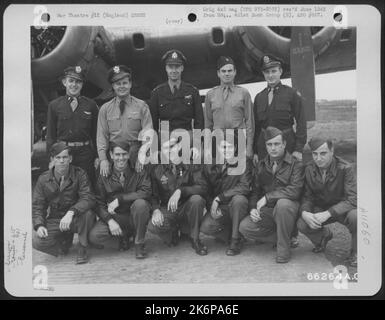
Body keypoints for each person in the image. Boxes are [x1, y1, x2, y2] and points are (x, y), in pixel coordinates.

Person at [239, 127, 304, 263]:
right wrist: (252, 209)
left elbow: (295, 190)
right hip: (270, 211)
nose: (273, 148)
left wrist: (268, 197)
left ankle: (283, 250)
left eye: (277, 144)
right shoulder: (262, 165)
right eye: (269, 145)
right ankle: (286, 237)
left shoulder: (296, 164)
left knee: (283, 204)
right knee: (245, 227)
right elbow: (255, 191)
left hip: (290, 209)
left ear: (284, 144)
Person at [297, 137, 357, 267]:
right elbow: (307, 196)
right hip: (321, 208)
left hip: (342, 209)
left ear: (332, 151)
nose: (318, 158)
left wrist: (329, 213)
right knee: (302, 222)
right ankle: (323, 237)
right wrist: (305, 212)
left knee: (356, 216)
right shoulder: (309, 169)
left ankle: (357, 252)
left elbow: (352, 199)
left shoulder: (345, 168)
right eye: (315, 154)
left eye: (323, 153)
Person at [32, 142, 96, 264]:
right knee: (37, 241)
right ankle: (63, 241)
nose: (62, 161)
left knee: (88, 213)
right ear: (52, 160)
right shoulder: (43, 179)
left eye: (65, 157)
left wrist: (71, 212)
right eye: (58, 158)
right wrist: (39, 225)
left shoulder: (80, 174)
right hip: (56, 219)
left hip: (77, 217)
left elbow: (88, 197)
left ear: (70, 159)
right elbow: (38, 205)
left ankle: (83, 246)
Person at [89, 140, 152, 259]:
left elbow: (146, 191)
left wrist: (121, 199)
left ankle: (139, 243)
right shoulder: (104, 174)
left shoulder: (138, 170)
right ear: (111, 155)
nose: (121, 158)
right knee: (94, 236)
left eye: (124, 154)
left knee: (141, 204)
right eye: (117, 155)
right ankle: (122, 239)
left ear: (129, 154)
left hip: (135, 215)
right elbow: (98, 202)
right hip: (116, 217)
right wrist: (109, 221)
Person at [147, 137, 208, 255]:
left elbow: (203, 187)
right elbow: (152, 195)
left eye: (172, 146)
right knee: (152, 226)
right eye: (165, 148)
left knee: (197, 200)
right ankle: (172, 232)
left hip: (186, 207)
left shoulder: (190, 164)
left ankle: (194, 238)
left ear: (179, 147)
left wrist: (181, 191)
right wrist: (155, 210)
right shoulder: (157, 169)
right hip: (168, 209)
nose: (169, 151)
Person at [200, 131, 252, 256]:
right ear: (218, 148)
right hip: (221, 207)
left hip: (238, 206)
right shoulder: (210, 164)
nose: (226, 150)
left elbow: (245, 186)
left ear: (235, 148)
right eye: (223, 147)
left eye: (229, 147)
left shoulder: (244, 161)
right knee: (205, 227)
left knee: (239, 199)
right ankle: (232, 233)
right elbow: (206, 188)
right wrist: (210, 206)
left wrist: (220, 198)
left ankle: (235, 241)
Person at [46, 66, 99, 185]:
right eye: (71, 81)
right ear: (64, 82)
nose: (74, 85)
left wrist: (97, 155)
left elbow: (96, 133)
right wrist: (51, 158)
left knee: (86, 185)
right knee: (64, 186)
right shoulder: (54, 105)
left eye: (78, 81)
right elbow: (50, 135)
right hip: (63, 153)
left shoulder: (90, 105)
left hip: (85, 154)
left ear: (82, 84)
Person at [97, 65, 153, 176]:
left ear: (130, 84)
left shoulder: (141, 106)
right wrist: (103, 159)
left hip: (136, 152)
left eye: (124, 83)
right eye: (118, 84)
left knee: (142, 184)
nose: (121, 87)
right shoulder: (105, 109)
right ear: (113, 86)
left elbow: (148, 133)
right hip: (115, 155)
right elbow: (102, 136)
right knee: (110, 185)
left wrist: (141, 156)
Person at [253, 54, 307, 164]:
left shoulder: (292, 94)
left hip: (287, 143)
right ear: (263, 74)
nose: (270, 75)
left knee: (288, 177)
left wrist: (298, 149)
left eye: (274, 71)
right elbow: (256, 127)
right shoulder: (259, 97)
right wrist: (255, 151)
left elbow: (301, 122)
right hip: (265, 146)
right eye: (267, 72)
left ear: (280, 71)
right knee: (266, 178)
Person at [204, 56, 254, 160]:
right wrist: (207, 147)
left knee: (239, 173)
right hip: (218, 139)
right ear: (218, 73)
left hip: (238, 138)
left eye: (230, 70)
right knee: (219, 173)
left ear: (235, 72)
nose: (227, 74)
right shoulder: (210, 95)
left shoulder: (243, 93)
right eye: (223, 71)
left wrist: (249, 147)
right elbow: (208, 124)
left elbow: (250, 123)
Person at [149, 49, 204, 134]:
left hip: (187, 138)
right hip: (166, 139)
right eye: (170, 67)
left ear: (182, 68)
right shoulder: (157, 93)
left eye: (177, 67)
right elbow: (153, 124)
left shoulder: (192, 91)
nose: (174, 71)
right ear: (166, 68)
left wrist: (196, 145)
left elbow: (199, 122)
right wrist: (156, 145)